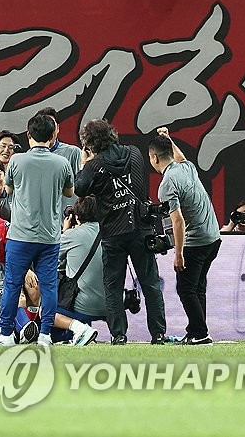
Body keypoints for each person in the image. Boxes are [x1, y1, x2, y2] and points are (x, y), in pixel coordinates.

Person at [76, 118, 167, 345]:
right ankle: (158, 333)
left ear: (90, 144)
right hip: (140, 226)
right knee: (150, 283)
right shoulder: (134, 153)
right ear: (112, 134)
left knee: (113, 287)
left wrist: (85, 164)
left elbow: (80, 188)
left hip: (113, 231)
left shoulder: (93, 166)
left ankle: (119, 335)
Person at [0, 114, 74, 348]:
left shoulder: (17, 161)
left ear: (28, 135)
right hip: (50, 237)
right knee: (48, 286)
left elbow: (8, 189)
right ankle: (45, 335)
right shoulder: (63, 163)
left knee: (12, 285)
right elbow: (69, 193)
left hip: (20, 236)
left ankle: (6, 334)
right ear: (53, 135)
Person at [148, 128, 222, 345]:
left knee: (186, 288)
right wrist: (169, 139)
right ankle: (197, 331)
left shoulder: (168, 183)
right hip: (213, 237)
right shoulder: (186, 168)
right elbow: (181, 157)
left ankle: (200, 333)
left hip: (196, 241)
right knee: (197, 287)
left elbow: (177, 221)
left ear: (154, 158)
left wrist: (178, 253)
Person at [53, 196, 104, 346]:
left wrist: (65, 231)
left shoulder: (71, 235)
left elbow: (53, 262)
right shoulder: (111, 233)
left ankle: (80, 329)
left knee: (46, 312)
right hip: (115, 304)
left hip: (84, 307)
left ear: (76, 215)